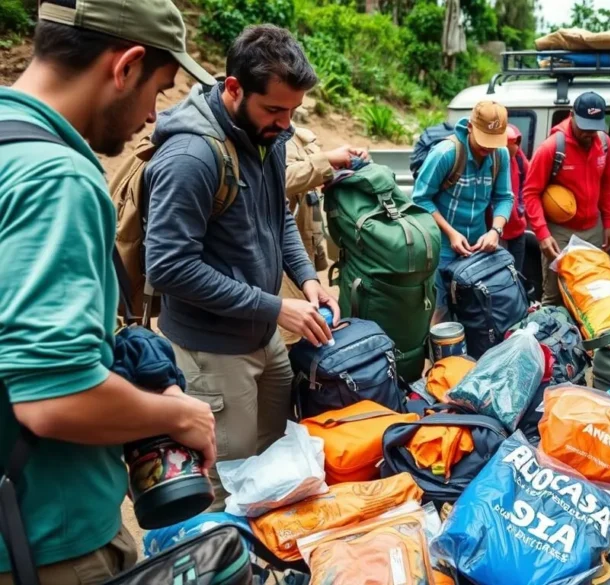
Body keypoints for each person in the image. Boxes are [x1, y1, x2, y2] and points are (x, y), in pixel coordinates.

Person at [0, 1, 218, 582]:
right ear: (126, 66)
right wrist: (178, 414)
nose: (151, 117)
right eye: (158, 91)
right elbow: (54, 398)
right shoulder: (55, 178)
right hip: (46, 539)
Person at [142, 24, 340, 509]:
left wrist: (307, 279)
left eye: (293, 111)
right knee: (228, 489)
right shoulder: (191, 156)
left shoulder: (267, 136)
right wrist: (275, 307)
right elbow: (167, 266)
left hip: (263, 336)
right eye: (274, 110)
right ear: (234, 88)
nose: (285, 123)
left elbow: (278, 218)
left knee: (276, 470)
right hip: (211, 352)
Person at [412, 100, 514, 325]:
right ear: (469, 127)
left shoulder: (500, 155)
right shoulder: (446, 153)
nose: (488, 148)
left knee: (476, 313)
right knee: (440, 316)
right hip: (441, 249)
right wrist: (451, 233)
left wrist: (495, 231)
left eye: (494, 141)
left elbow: (504, 197)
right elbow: (420, 199)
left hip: (477, 250)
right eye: (484, 140)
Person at [278, 126, 369, 347]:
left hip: (301, 253)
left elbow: (310, 175)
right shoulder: (260, 134)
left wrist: (342, 161)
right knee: (290, 337)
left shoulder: (297, 134)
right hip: (278, 263)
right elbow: (277, 181)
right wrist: (326, 159)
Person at [522, 91, 610, 306]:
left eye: (594, 127)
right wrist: (543, 234)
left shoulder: (605, 144)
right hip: (559, 232)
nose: (589, 133)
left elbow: (607, 183)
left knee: (592, 291)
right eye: (584, 126)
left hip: (592, 229)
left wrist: (608, 222)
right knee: (554, 295)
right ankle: (550, 326)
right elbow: (530, 193)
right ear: (571, 115)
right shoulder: (551, 148)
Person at [500, 124, 531, 273]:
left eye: (517, 143)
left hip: (517, 229)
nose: (516, 147)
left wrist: (521, 210)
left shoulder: (519, 159)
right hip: (495, 230)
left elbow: (528, 186)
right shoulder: (493, 161)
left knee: (516, 274)